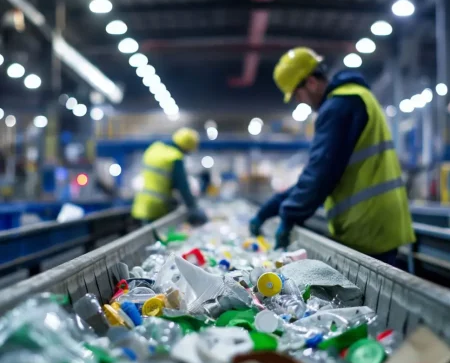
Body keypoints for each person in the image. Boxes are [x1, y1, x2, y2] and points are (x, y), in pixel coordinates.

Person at [249, 47, 415, 265]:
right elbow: (319, 174)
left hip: (366, 226)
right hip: (380, 221)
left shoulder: (339, 107)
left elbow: (319, 175)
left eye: (297, 94)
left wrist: (289, 216)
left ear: (310, 82)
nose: (300, 101)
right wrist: (269, 209)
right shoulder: (358, 97)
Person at [132, 128, 208, 226]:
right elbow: (183, 187)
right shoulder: (175, 157)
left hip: (142, 203)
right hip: (158, 208)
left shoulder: (154, 148)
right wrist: (193, 208)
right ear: (186, 148)